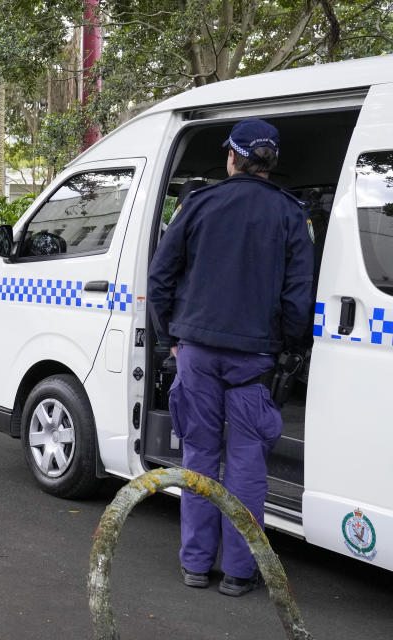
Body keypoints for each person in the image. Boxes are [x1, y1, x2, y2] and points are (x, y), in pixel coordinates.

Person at [147, 118, 314, 597]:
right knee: (246, 465)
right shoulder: (291, 214)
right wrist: (284, 348)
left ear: (232, 157)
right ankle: (240, 573)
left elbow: (160, 279)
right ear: (270, 163)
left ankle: (196, 566)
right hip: (256, 360)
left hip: (196, 352)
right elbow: (297, 298)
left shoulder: (198, 205)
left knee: (199, 456)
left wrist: (172, 338)